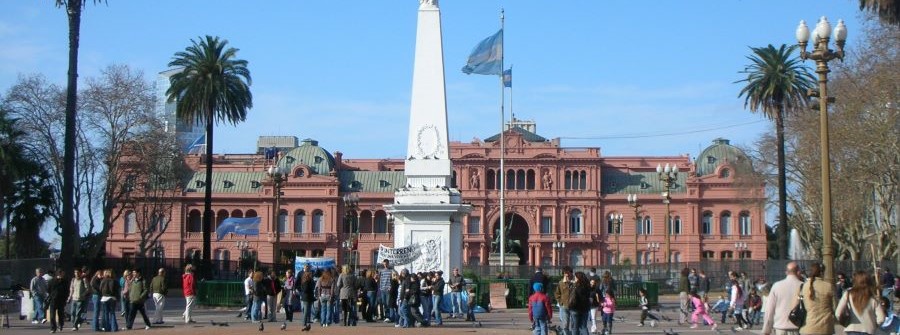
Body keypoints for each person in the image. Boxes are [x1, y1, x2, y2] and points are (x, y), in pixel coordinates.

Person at [836, 271, 886, 335]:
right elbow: (881, 318)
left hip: (851, 328)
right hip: (868, 330)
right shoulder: (873, 297)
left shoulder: (848, 294)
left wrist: (843, 322)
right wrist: (874, 325)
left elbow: (838, 313)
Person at [762, 261, 803, 335]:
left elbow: (769, 309)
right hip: (798, 327)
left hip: (780, 327)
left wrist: (766, 329)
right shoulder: (803, 286)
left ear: (786, 272)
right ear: (798, 272)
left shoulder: (777, 286)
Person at [798, 262, 835, 335]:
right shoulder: (828, 286)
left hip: (808, 326)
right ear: (822, 272)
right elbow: (835, 307)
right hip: (825, 327)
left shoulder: (805, 286)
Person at [554, 266, 574, 335]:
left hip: (574, 306)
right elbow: (557, 294)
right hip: (564, 306)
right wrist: (560, 302)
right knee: (565, 325)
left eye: (568, 273)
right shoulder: (561, 283)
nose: (566, 275)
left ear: (571, 273)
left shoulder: (575, 282)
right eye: (565, 273)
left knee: (574, 324)